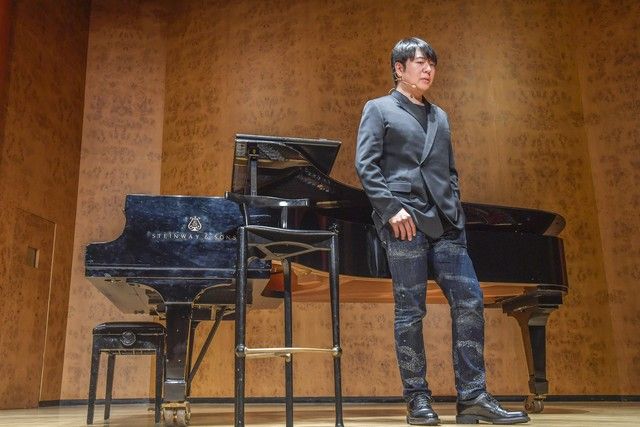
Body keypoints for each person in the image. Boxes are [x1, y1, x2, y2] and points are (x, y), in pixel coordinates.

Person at [355, 37, 530, 426]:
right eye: (419, 62)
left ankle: (472, 397)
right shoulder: (378, 108)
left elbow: (449, 172)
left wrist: (456, 213)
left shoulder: (441, 116)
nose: (428, 69)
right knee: (410, 311)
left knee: (470, 301)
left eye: (431, 63)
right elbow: (365, 165)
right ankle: (417, 399)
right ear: (399, 69)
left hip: (446, 225)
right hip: (404, 223)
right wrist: (390, 209)